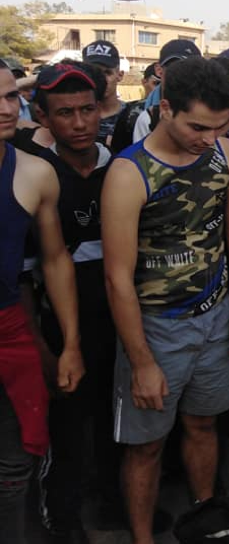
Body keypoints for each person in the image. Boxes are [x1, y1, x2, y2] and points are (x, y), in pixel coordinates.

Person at [102, 57, 229, 544]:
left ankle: (205, 520)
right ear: (164, 107)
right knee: (146, 446)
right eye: (197, 126)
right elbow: (117, 279)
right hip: (155, 327)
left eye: (220, 126)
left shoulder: (226, 156)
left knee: (204, 424)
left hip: (215, 316)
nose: (208, 137)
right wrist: (142, 360)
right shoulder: (130, 174)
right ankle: (143, 537)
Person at [29, 62, 121, 542]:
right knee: (64, 428)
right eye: (66, 113)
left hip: (115, 318)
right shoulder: (33, 172)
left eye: (88, 110)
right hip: (59, 326)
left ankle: (111, 502)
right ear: (42, 116)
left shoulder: (119, 164)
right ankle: (62, 519)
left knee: (113, 418)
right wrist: (48, 347)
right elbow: (32, 274)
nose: (81, 122)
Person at [0, 63, 84, 544]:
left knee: (15, 464)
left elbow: (54, 261)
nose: (7, 108)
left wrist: (70, 344)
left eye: (13, 96)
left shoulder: (35, 173)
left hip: (11, 328)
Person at [131, 39, 201, 143]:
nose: (183, 76)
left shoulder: (207, 111)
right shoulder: (136, 114)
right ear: (159, 70)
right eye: (176, 68)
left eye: (191, 70)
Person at [81, 40, 128, 148]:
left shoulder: (132, 117)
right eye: (93, 72)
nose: (100, 79)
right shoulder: (75, 118)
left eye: (107, 72)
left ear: (119, 75)